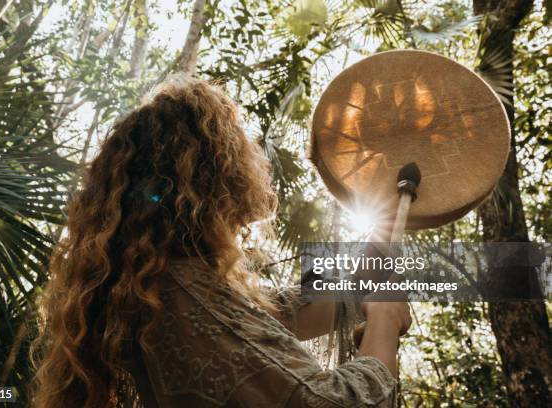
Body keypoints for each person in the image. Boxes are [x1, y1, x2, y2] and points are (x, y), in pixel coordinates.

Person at [32, 75, 411, 408]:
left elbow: (271, 320)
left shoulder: (160, 284)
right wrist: (385, 322)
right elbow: (334, 403)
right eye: (239, 147)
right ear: (211, 172)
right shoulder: (178, 293)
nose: (251, 158)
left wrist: (369, 262)